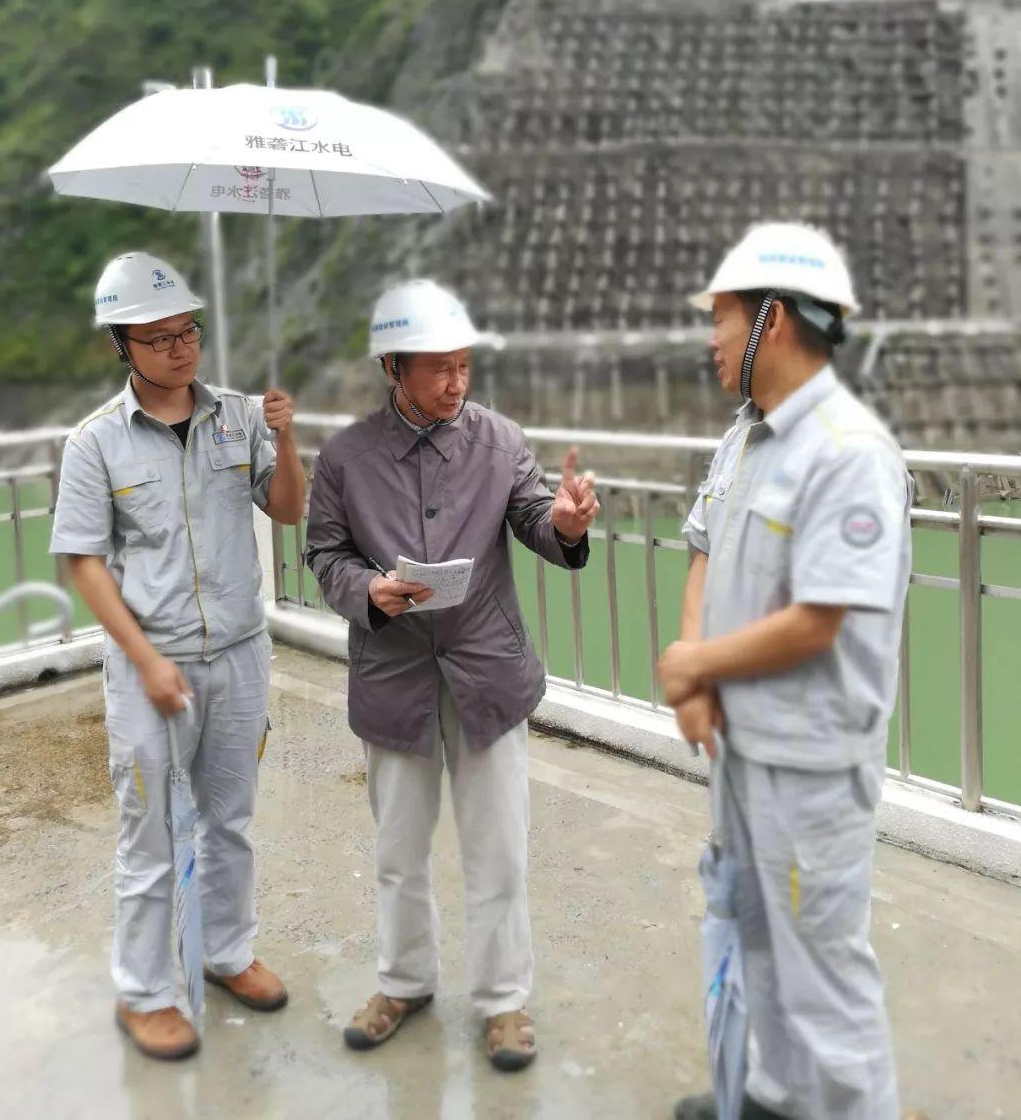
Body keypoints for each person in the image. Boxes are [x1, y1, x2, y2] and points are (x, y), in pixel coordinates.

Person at [305, 278, 598, 1072]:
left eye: (465, 366)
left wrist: (565, 524)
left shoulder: (500, 441)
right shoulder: (344, 457)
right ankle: (404, 982)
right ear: (392, 366)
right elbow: (323, 554)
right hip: (393, 674)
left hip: (487, 674)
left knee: (499, 847)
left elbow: (535, 518)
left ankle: (504, 1000)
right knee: (399, 848)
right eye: (438, 368)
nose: (455, 383)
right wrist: (368, 589)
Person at [659, 223, 912, 1120]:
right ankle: (773, 1095)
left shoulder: (850, 452)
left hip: (808, 765)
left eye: (722, 317)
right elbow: (701, 546)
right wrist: (697, 682)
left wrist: (694, 662)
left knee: (826, 975)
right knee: (755, 937)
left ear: (773, 318)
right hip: (742, 747)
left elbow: (820, 618)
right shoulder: (744, 438)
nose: (711, 337)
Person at [50, 251, 306, 1061]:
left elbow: (289, 510)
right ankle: (146, 991)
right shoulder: (95, 443)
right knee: (151, 833)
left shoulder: (239, 418)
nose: (180, 348)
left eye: (187, 330)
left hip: (237, 655)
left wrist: (288, 438)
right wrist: (146, 658)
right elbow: (85, 562)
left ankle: (228, 952)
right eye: (158, 338)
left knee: (229, 820)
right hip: (147, 666)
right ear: (121, 347)